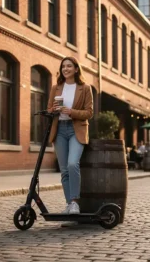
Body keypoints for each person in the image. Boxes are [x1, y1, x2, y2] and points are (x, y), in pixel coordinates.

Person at [47, 56, 93, 215]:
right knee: (64, 169)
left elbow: (89, 113)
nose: (65, 69)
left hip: (76, 130)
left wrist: (71, 112)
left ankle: (75, 202)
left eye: (69, 66)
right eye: (63, 66)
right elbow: (48, 110)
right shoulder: (56, 87)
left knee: (73, 164)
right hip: (59, 129)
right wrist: (53, 110)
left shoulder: (85, 88)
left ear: (76, 69)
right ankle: (69, 204)